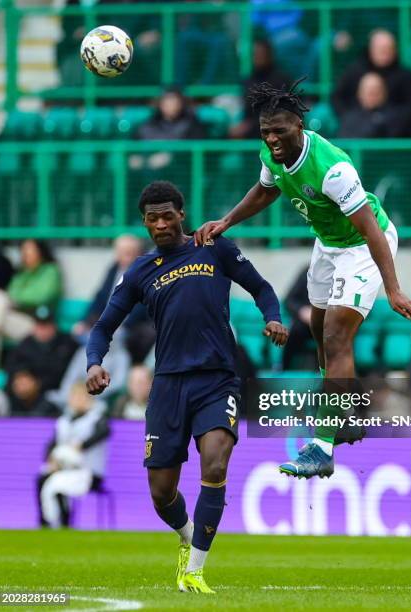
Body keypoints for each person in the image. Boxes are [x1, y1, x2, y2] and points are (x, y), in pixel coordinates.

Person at [194, 79, 411, 480]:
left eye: (279, 130)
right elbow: (266, 191)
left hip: (363, 246)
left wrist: (393, 287)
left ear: (299, 124)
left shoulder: (332, 169)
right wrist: (227, 221)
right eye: (266, 131)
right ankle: (346, 414)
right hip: (328, 244)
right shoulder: (271, 154)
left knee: (335, 333)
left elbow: (369, 229)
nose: (272, 138)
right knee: (317, 326)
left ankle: (322, 443)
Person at [86, 181, 288, 593]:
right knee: (162, 493)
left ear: (181, 214)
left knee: (215, 462)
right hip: (168, 387)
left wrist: (273, 317)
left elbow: (262, 288)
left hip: (217, 380)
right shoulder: (141, 271)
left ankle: (194, 570)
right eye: (152, 218)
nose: (160, 224)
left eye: (167, 215)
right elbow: (104, 327)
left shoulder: (214, 246)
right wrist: (94, 363)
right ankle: (187, 536)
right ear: (145, 222)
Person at [37, 381, 109, 528]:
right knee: (42, 479)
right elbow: (51, 445)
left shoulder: (96, 419)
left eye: (82, 397)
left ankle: (65, 522)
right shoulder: (63, 422)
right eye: (75, 397)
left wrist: (82, 445)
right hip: (65, 470)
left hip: (88, 473)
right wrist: (51, 459)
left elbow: (104, 432)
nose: (78, 401)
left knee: (57, 484)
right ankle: (45, 521)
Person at [73, 234, 154, 363]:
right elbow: (100, 298)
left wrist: (121, 325)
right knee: (78, 335)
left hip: (131, 326)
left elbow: (143, 305)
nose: (125, 256)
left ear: (139, 253)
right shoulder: (113, 269)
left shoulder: (146, 271)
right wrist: (84, 321)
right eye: (121, 252)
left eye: (129, 252)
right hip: (108, 321)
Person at [332, 29, 411, 137]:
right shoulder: (354, 71)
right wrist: (351, 118)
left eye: (389, 49)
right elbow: (337, 98)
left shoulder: (405, 76)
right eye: (381, 49)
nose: (385, 53)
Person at [0, 239, 62, 369]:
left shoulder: (50, 271)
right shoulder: (21, 273)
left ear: (40, 252)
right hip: (13, 319)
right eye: (23, 250)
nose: (26, 253)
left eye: (30, 250)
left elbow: (42, 296)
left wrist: (16, 300)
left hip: (37, 325)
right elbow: (12, 292)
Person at [5, 306, 78, 394]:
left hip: (55, 392)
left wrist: (38, 384)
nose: (42, 329)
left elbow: (65, 373)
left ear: (54, 325)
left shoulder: (67, 343)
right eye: (39, 325)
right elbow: (12, 367)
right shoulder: (25, 344)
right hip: (26, 392)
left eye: (46, 325)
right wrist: (24, 379)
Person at [229, 39, 289, 140]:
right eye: (255, 54)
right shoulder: (248, 81)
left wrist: (250, 126)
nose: (258, 57)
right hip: (251, 133)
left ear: (269, 55)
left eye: (261, 53)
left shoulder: (281, 80)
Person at [337, 72, 411, 138]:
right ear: (359, 93)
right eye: (368, 91)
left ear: (384, 92)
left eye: (376, 90)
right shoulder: (350, 118)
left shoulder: (397, 117)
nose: (372, 94)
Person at [282, 265, 317, 370]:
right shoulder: (309, 271)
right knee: (294, 330)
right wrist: (302, 311)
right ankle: (283, 370)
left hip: (331, 324)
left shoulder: (343, 272)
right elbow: (289, 300)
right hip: (306, 325)